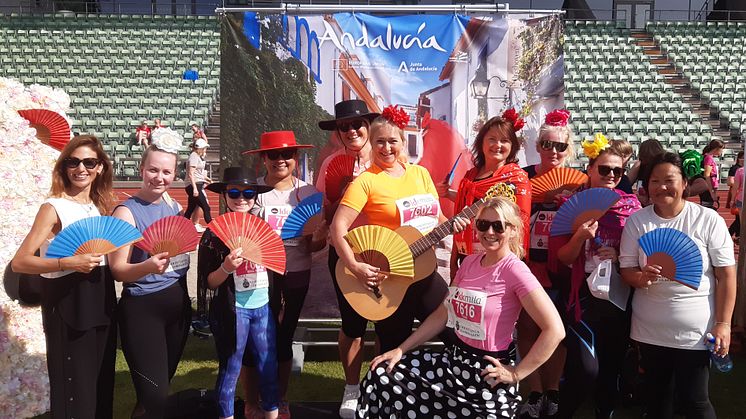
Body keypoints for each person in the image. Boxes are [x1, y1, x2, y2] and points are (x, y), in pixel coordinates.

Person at [357, 197, 565, 419]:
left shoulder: (515, 271)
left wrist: (516, 374)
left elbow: (555, 330)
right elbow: (443, 313)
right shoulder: (469, 264)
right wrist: (401, 349)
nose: (490, 232)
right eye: (483, 224)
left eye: (498, 225)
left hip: (489, 376)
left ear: (513, 230)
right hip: (453, 365)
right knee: (381, 374)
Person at [330, 104, 468, 355]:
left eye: (392, 141)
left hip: (424, 271)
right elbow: (338, 226)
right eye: (379, 142)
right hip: (390, 278)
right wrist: (355, 265)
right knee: (393, 346)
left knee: (455, 331)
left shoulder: (420, 174)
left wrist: (452, 224)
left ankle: (457, 389)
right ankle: (389, 393)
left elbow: (437, 217)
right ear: (371, 144)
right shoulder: (366, 181)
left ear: (403, 142)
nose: (386, 148)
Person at [620, 152, 736, 419]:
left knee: (695, 401)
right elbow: (626, 269)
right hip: (649, 329)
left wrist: (723, 324)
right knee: (657, 401)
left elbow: (726, 276)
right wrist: (640, 277)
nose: (662, 187)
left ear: (684, 183)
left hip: (694, 332)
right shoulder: (638, 221)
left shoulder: (707, 220)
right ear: (646, 186)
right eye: (654, 181)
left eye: (669, 180)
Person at [12, 135, 117, 419]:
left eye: (89, 162)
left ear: (100, 168)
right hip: (69, 302)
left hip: (101, 299)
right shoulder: (53, 207)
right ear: (64, 167)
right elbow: (20, 262)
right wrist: (65, 261)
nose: (80, 168)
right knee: (75, 395)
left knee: (100, 389)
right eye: (73, 161)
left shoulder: (99, 206)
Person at [548, 135, 641, 419]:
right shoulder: (570, 205)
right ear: (589, 168)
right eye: (604, 169)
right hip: (582, 298)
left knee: (610, 367)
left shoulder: (631, 207)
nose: (611, 175)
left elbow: (641, 254)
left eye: (618, 171)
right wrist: (578, 238)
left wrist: (619, 255)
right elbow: (561, 259)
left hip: (618, 298)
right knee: (587, 369)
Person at [243, 130, 328, 419]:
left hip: (296, 271)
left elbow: (315, 245)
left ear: (296, 158)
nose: (281, 160)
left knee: (283, 336)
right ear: (264, 159)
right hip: (258, 273)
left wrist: (316, 236)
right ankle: (251, 400)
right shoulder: (250, 192)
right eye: (274, 155)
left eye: (287, 154)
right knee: (256, 336)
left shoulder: (309, 194)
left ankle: (279, 398)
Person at [109, 129, 192, 419]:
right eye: (153, 170)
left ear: (175, 174)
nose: (159, 177)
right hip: (143, 310)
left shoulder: (173, 206)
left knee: (156, 393)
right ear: (142, 170)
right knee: (156, 396)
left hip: (179, 305)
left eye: (166, 172)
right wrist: (146, 266)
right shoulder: (126, 212)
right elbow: (118, 271)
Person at [316, 99, 380, 418]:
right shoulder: (331, 165)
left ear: (369, 127)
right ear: (338, 133)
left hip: (383, 252)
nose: (352, 130)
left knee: (386, 324)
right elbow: (325, 212)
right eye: (345, 127)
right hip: (344, 251)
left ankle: (381, 387)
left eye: (358, 124)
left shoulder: (386, 161)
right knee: (352, 325)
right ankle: (352, 389)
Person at [197, 167, 278, 419]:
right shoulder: (214, 233)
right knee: (231, 368)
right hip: (234, 311)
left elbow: (274, 269)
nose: (241, 198)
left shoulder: (263, 227)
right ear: (224, 196)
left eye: (248, 193)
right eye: (234, 192)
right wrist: (226, 267)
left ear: (255, 195)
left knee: (268, 366)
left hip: (263, 307)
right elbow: (209, 283)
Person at [517, 109, 574, 419]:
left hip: (563, 267)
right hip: (528, 266)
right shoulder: (522, 177)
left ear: (569, 150)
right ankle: (534, 391)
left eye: (560, 146)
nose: (554, 152)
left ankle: (552, 392)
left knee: (559, 330)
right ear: (537, 146)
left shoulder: (578, 182)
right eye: (547, 145)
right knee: (526, 328)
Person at [438, 109, 531, 281]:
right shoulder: (470, 176)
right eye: (492, 139)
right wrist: (450, 194)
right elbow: (472, 203)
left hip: (497, 257)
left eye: (504, 140)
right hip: (466, 255)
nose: (498, 144)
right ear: (481, 143)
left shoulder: (516, 179)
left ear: (512, 147)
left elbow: (521, 221)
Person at [184, 138, 212, 231]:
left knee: (190, 209)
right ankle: (213, 228)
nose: (205, 150)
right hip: (194, 185)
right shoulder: (194, 156)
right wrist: (195, 188)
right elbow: (191, 173)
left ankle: (181, 227)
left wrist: (208, 180)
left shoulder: (197, 157)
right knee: (206, 207)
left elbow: (198, 173)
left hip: (196, 184)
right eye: (204, 148)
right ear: (200, 148)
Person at [627, 138, 665, 207]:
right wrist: (637, 197)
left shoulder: (664, 168)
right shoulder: (639, 166)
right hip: (642, 207)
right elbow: (625, 185)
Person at [726, 151, 744, 241]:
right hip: (738, 194)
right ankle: (734, 235)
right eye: (742, 157)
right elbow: (730, 182)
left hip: (738, 195)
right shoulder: (736, 169)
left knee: (739, 220)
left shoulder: (740, 170)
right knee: (738, 219)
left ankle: (736, 235)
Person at [702, 139, 725, 205]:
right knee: (707, 207)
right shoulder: (709, 158)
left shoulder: (709, 157)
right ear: (716, 149)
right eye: (722, 149)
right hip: (708, 188)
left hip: (710, 187)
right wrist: (711, 191)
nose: (722, 151)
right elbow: (707, 175)